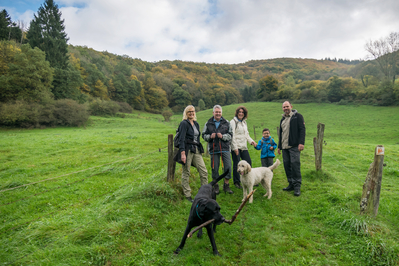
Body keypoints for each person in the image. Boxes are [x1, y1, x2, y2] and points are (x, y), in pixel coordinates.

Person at [176, 105, 208, 202]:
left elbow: (197, 138)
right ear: (186, 113)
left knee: (204, 171)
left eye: (193, 111)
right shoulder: (184, 123)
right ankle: (187, 195)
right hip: (187, 150)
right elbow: (181, 139)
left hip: (196, 150)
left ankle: (204, 193)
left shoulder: (196, 124)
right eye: (189, 111)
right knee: (186, 172)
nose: (191, 113)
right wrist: (182, 153)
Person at [202, 105, 234, 194]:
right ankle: (215, 186)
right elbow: (204, 135)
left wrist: (223, 136)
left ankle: (226, 185)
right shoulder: (208, 123)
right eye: (216, 112)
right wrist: (210, 137)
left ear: (221, 113)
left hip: (225, 148)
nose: (218, 113)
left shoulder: (226, 122)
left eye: (219, 112)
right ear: (213, 113)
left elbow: (231, 135)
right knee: (214, 168)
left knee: (227, 166)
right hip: (213, 149)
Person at [277, 101, 306, 196]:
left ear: (291, 106)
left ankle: (297, 186)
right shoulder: (282, 119)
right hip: (284, 147)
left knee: (295, 165)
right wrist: (279, 146)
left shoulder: (297, 116)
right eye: (284, 107)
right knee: (287, 165)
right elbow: (281, 134)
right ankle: (291, 184)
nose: (285, 108)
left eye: (287, 106)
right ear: (282, 108)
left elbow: (302, 130)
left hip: (294, 146)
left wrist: (301, 143)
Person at [230, 106, 256, 189]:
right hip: (236, 147)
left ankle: (249, 179)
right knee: (237, 165)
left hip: (244, 147)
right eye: (239, 112)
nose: (241, 113)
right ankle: (237, 182)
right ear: (237, 113)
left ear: (244, 114)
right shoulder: (233, 122)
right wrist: (235, 148)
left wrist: (251, 141)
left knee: (248, 163)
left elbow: (246, 135)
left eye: (242, 112)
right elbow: (232, 135)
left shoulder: (244, 122)